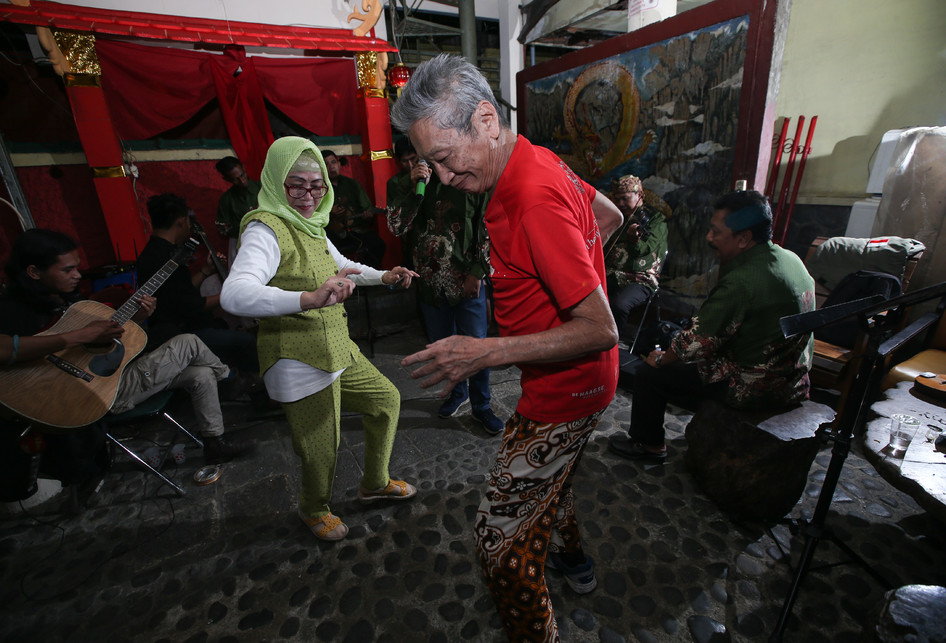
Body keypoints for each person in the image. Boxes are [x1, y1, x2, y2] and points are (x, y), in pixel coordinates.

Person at [391, 54, 623, 642]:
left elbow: (600, 328)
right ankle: (574, 560)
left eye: (445, 159)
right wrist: (576, 263)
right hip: (582, 381)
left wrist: (485, 352)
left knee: (499, 546)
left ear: (486, 120)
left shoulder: (530, 195)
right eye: (430, 163)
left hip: (565, 390)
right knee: (555, 478)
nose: (441, 176)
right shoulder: (533, 157)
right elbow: (608, 215)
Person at [220, 136, 419, 542]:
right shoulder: (265, 229)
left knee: (386, 400)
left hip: (337, 348)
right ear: (276, 181)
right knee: (320, 447)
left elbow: (341, 264)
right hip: (299, 361)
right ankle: (313, 508)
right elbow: (234, 293)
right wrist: (307, 298)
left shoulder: (309, 225)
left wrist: (383, 276)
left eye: (317, 185)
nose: (308, 195)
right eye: (297, 185)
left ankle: (374, 482)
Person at [0, 228, 250, 465]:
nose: (77, 275)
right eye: (67, 270)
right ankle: (231, 379)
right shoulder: (11, 308)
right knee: (188, 342)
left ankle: (214, 442)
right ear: (34, 272)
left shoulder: (66, 298)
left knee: (202, 374)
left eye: (76, 267)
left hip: (111, 377)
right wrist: (79, 335)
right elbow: (6, 349)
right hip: (91, 395)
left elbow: (102, 340)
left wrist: (139, 318)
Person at [608, 190, 816, 462]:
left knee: (650, 374)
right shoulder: (791, 259)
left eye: (717, 232)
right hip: (793, 378)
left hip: (755, 386)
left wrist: (660, 359)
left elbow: (694, 344)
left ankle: (649, 445)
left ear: (743, 238)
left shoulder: (742, 280)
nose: (709, 237)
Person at [386, 141, 504, 435]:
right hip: (428, 281)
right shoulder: (400, 184)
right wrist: (415, 191)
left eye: (422, 155)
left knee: (475, 346)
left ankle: (482, 405)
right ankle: (456, 393)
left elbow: (486, 226)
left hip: (466, 279)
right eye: (412, 158)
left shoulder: (467, 176)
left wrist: (477, 272)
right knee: (442, 346)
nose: (419, 162)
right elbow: (397, 227)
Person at [137, 193, 261, 392]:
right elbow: (192, 306)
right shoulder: (165, 259)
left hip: (178, 324)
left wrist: (205, 271)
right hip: (177, 334)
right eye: (187, 221)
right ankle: (250, 389)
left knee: (224, 327)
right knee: (245, 341)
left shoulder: (155, 252)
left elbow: (178, 293)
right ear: (181, 221)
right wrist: (232, 293)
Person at [604, 174, 669, 338]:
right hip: (611, 273)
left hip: (640, 278)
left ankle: (611, 343)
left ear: (639, 195)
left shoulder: (655, 219)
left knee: (619, 305)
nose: (620, 204)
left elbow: (647, 250)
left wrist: (634, 241)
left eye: (625, 199)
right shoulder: (619, 217)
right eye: (617, 199)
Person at [322, 149, 386, 266]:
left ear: (339, 164)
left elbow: (366, 207)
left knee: (378, 244)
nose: (331, 167)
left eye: (333, 162)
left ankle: (373, 280)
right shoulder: (319, 188)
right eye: (326, 164)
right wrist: (330, 214)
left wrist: (367, 216)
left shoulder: (352, 184)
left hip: (356, 229)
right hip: (331, 232)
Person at [213, 156, 262, 243]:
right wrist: (245, 223)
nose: (242, 181)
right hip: (240, 242)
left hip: (267, 237)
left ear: (243, 168)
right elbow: (222, 229)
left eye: (242, 175)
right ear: (227, 179)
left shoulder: (262, 188)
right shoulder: (226, 199)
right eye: (236, 179)